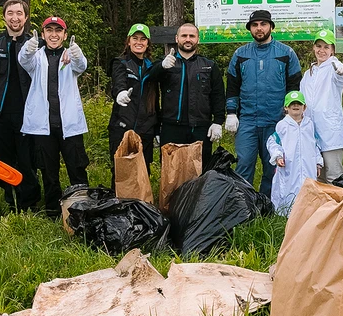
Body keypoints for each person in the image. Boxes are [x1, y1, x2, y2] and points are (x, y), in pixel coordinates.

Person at [19, 16, 90, 218]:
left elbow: (81, 65)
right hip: (43, 126)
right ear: (43, 35)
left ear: (64, 35)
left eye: (58, 31)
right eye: (49, 30)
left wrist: (77, 54)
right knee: (48, 171)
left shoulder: (70, 56)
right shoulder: (36, 58)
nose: (53, 34)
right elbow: (23, 60)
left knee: (77, 167)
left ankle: (82, 208)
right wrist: (28, 48)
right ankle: (53, 211)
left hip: (69, 125)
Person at [225, 10, 302, 195]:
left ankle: (269, 204)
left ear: (271, 26)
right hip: (248, 121)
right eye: (255, 25)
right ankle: (243, 205)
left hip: (276, 120)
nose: (259, 28)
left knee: (273, 164)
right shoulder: (240, 54)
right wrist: (231, 113)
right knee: (244, 163)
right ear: (250, 29)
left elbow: (294, 88)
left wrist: (291, 115)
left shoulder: (286, 53)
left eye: (263, 24)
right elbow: (232, 86)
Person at [0, 0, 41, 212]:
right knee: (4, 158)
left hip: (28, 112)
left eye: (19, 13)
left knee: (28, 158)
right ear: (4, 16)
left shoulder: (36, 44)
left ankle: (31, 201)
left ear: (26, 17)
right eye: (10, 13)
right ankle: (11, 200)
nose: (15, 17)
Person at [152, 23, 226, 163]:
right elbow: (149, 79)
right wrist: (161, 67)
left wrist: (218, 122)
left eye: (192, 36)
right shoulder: (166, 62)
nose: (188, 39)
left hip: (200, 128)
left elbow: (218, 95)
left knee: (200, 172)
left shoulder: (209, 65)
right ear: (176, 38)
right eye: (184, 36)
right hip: (171, 127)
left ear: (198, 39)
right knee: (171, 174)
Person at [299, 28, 343, 183]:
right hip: (311, 133)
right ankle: (322, 208)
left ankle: (339, 207)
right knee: (316, 175)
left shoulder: (334, 66)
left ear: (332, 50)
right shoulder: (309, 73)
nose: (322, 50)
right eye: (319, 46)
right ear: (314, 48)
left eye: (326, 47)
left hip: (331, 132)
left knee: (334, 175)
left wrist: (342, 73)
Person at [109, 23, 158, 180]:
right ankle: (118, 203)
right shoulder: (120, 62)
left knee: (143, 170)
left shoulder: (151, 67)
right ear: (128, 41)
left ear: (148, 43)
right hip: (122, 125)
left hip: (146, 128)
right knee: (120, 170)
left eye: (143, 39)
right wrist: (120, 93)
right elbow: (118, 81)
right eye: (135, 38)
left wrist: (157, 129)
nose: (139, 42)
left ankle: (141, 203)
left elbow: (156, 100)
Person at [266, 91, 323, 214]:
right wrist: (278, 156)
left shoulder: (310, 125)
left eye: (298, 103)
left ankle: (307, 214)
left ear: (304, 107)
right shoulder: (282, 125)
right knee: (288, 191)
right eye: (292, 104)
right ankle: (287, 215)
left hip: (308, 166)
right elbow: (273, 142)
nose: (295, 106)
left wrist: (318, 162)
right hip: (289, 168)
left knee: (309, 190)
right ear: (286, 107)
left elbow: (316, 145)